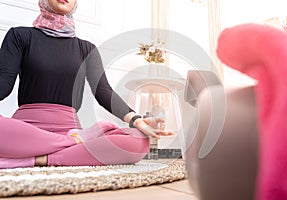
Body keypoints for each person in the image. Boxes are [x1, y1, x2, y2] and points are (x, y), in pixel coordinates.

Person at [0, 0, 173, 169]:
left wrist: (137, 120)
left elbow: (103, 91)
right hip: (26, 131)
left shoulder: (86, 49)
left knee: (139, 141)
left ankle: (40, 157)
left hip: (69, 129)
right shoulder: (20, 36)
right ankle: (71, 146)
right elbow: (3, 84)